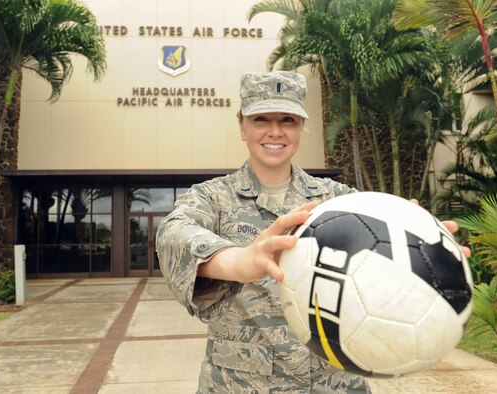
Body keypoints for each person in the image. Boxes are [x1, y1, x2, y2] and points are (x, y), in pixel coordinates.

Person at [156, 71, 466, 393]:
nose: (275, 131)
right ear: (242, 126)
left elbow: (385, 252)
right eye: (261, 118)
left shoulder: (339, 200)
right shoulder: (213, 197)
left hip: (336, 383)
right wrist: (239, 261)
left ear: (301, 126)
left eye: (288, 120)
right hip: (241, 386)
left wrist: (417, 246)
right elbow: (174, 232)